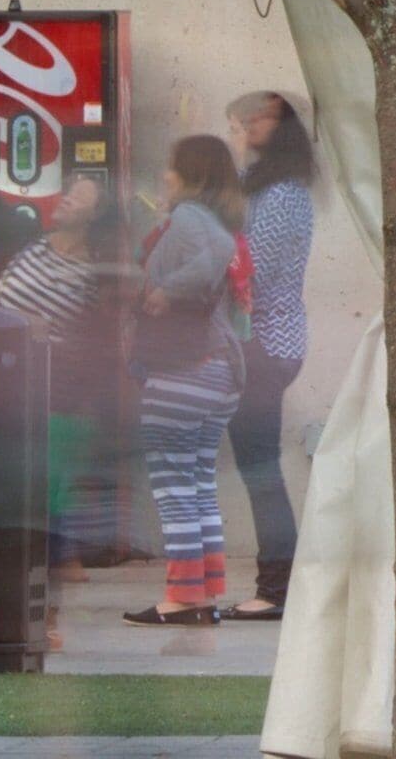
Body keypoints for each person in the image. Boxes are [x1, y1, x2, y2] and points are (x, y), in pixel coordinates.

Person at [125, 133, 248, 626]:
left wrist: (165, 293)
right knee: (196, 486)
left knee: (173, 487)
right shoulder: (214, 217)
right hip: (218, 372)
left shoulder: (192, 218)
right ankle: (202, 595)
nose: (163, 176)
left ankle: (180, 600)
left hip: (182, 372)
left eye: (171, 168)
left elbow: (212, 254)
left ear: (191, 175)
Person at [0, 173, 123, 585]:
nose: (65, 201)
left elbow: (97, 337)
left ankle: (59, 566)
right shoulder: (32, 243)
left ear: (93, 216)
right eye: (68, 194)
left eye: (78, 198)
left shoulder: (92, 272)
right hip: (2, 378)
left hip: (53, 387)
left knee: (44, 482)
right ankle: (58, 563)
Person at [223, 92, 317, 621]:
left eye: (244, 124)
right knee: (257, 466)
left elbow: (249, 268)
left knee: (260, 468)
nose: (237, 135)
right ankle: (277, 583)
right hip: (262, 342)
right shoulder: (272, 188)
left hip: (264, 343)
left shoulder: (281, 194)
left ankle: (276, 588)